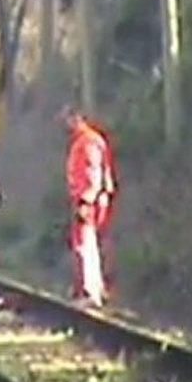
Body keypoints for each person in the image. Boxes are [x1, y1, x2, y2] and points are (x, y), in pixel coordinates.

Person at [61, 106, 117, 307]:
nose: (65, 123)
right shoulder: (88, 140)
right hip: (92, 199)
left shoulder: (87, 142)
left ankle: (90, 292)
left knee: (85, 245)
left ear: (77, 118)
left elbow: (91, 174)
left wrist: (86, 200)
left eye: (68, 119)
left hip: (88, 201)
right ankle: (93, 288)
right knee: (89, 243)